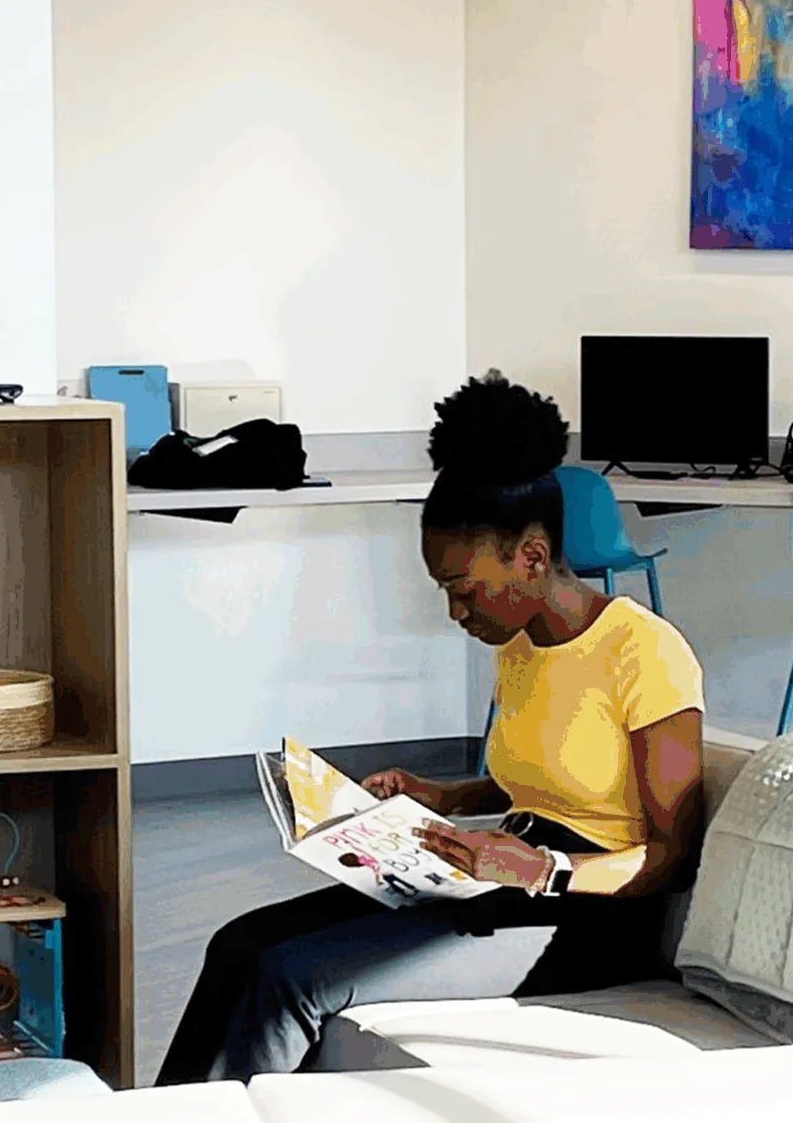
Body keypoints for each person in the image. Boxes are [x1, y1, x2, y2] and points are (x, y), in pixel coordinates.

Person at [157, 371, 707, 1084]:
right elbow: (553, 782)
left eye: (464, 591)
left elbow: (673, 858)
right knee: (240, 941)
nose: (456, 614)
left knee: (290, 976)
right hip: (501, 873)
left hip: (591, 918)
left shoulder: (646, 652)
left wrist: (545, 871)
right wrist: (443, 797)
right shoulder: (520, 646)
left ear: (533, 557)